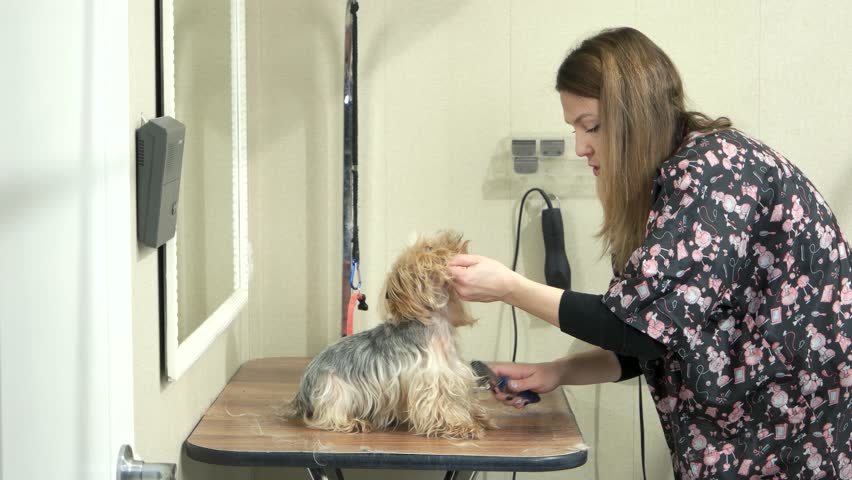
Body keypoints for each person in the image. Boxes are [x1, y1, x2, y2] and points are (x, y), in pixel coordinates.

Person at [449, 27, 852, 479]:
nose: (581, 146)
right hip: (743, 438)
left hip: (787, 441)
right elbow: (653, 340)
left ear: (633, 116)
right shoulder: (676, 181)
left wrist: (510, 288)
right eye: (576, 129)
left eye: (592, 126)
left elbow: (643, 331)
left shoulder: (712, 175)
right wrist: (558, 371)